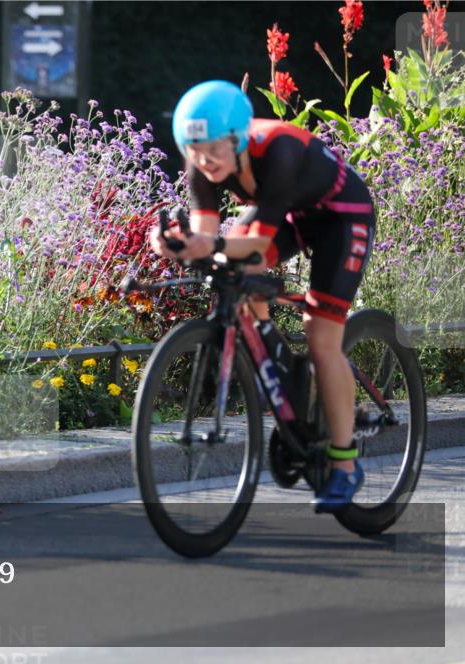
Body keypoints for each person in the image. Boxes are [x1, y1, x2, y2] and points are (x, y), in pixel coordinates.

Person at [152, 80, 376, 513]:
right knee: (232, 269)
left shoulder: (280, 152)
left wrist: (211, 245)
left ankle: (345, 465)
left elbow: (252, 243)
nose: (204, 160)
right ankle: (288, 371)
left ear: (238, 137)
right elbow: (206, 233)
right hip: (292, 213)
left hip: (341, 217)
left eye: (214, 149)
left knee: (321, 334)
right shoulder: (201, 162)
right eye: (193, 151)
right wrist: (176, 242)